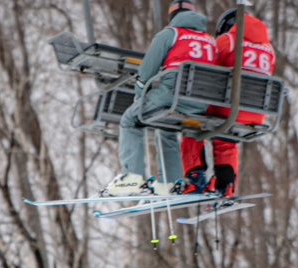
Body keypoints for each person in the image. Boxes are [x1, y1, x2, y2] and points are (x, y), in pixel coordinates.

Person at [102, 0, 216, 197]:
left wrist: (139, 97)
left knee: (130, 120)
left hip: (171, 96)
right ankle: (169, 183)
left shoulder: (170, 34)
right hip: (200, 103)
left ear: (172, 17)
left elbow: (146, 71)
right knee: (165, 128)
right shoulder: (210, 40)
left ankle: (131, 177)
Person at [179, 7, 276, 196]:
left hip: (227, 109)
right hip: (255, 113)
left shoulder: (228, 41)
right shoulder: (268, 50)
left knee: (190, 125)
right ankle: (226, 186)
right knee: (226, 140)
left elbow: (206, 64)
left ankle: (195, 178)